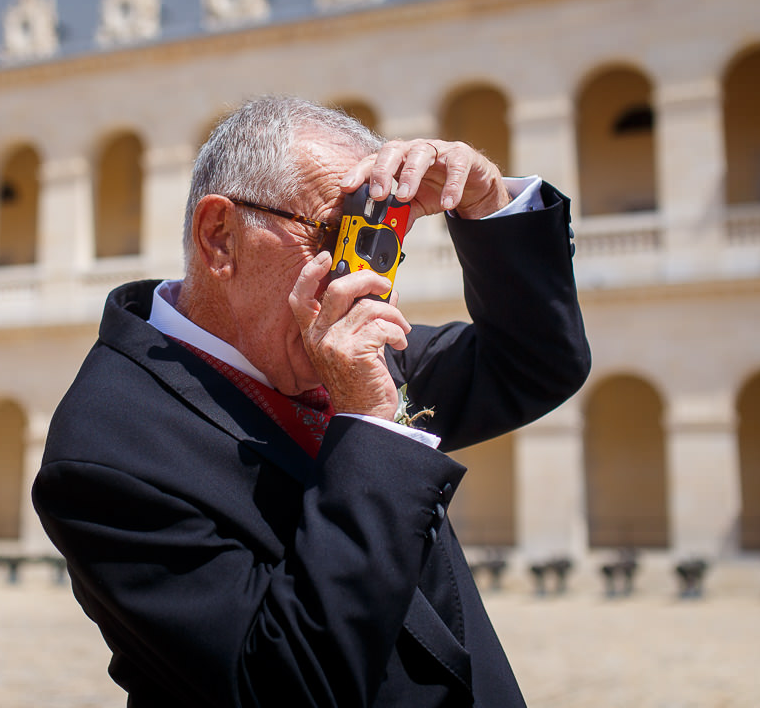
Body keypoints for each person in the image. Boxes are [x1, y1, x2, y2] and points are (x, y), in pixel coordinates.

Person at [33, 96, 590, 706]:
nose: (366, 273)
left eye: (379, 231)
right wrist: (369, 429)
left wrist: (487, 208)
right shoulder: (105, 451)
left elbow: (534, 363)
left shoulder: (341, 344)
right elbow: (286, 685)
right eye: (335, 231)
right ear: (220, 238)